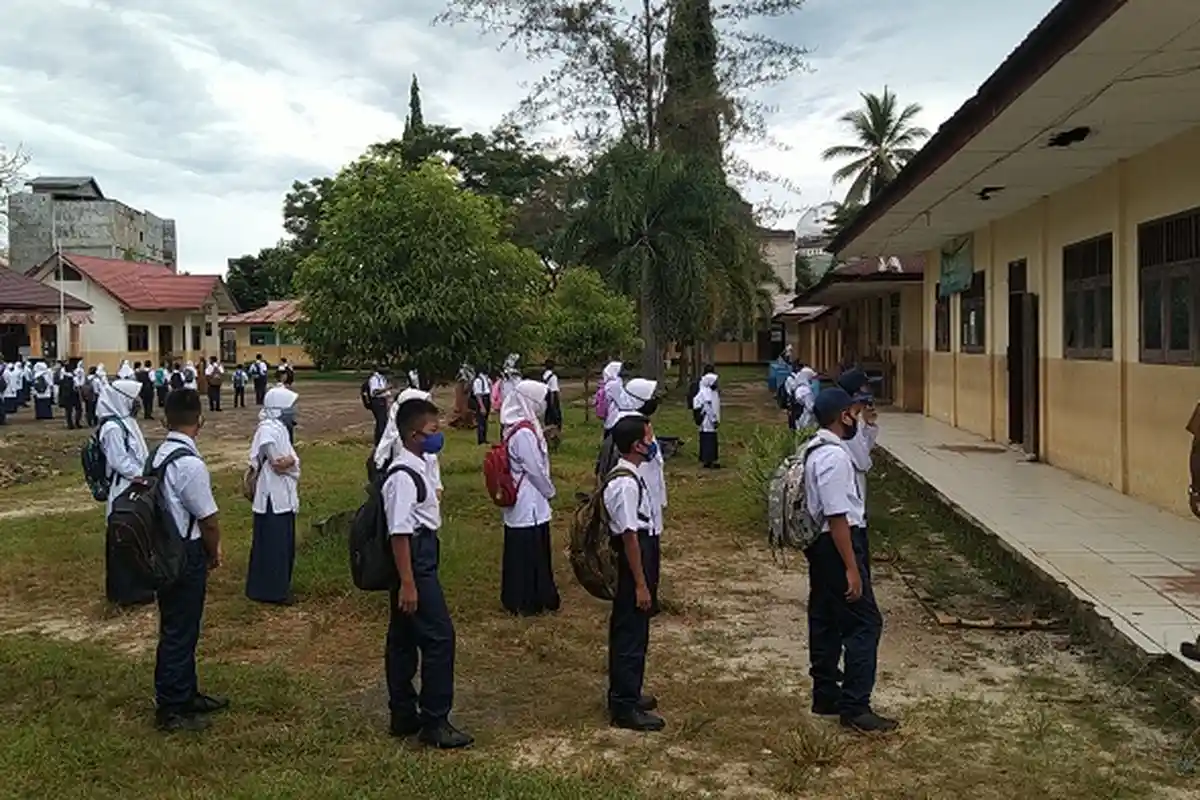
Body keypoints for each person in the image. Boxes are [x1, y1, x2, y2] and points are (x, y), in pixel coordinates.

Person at [803, 387, 896, 733]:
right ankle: (856, 706)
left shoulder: (816, 449)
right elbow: (837, 515)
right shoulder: (834, 458)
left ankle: (826, 693)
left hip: (824, 545)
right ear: (843, 416)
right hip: (838, 544)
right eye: (854, 413)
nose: (857, 418)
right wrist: (852, 568)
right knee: (865, 623)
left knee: (826, 616)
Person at [383, 396, 472, 749]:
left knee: (404, 637)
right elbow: (399, 532)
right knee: (439, 638)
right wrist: (409, 582)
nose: (438, 436)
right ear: (413, 435)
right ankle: (435, 720)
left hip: (419, 556)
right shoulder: (403, 476)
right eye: (433, 430)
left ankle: (403, 713)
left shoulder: (418, 467)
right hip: (414, 562)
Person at [152, 388, 227, 733]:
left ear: (165, 419)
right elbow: (207, 520)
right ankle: (172, 707)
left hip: (162, 550)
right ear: (200, 420)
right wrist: (214, 551)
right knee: (180, 631)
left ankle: (186, 691)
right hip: (185, 553)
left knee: (178, 626)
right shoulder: (190, 465)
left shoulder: (158, 455)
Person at [604, 413, 664, 732]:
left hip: (641, 554)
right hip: (633, 562)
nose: (653, 443)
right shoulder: (625, 484)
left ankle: (629, 691)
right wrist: (641, 583)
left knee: (636, 630)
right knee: (630, 631)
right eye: (648, 438)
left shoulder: (633, 475)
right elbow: (629, 536)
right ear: (636, 445)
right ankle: (624, 705)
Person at [498, 380, 561, 616]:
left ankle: (520, 596)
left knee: (520, 550)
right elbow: (534, 469)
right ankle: (529, 599)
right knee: (531, 551)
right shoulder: (524, 432)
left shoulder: (513, 426)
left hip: (521, 497)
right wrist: (549, 491)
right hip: (529, 499)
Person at [97, 379, 155, 607]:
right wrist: (140, 475)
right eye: (133, 399)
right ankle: (126, 592)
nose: (137, 403)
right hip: (124, 487)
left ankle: (143, 585)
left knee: (140, 535)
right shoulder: (112, 428)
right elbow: (119, 461)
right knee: (124, 536)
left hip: (137, 485)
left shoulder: (126, 422)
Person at [245, 386, 301, 605]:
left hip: (282, 491)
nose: (294, 412)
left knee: (283, 542)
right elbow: (279, 462)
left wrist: (292, 461)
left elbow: (290, 460)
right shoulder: (268, 429)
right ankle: (270, 591)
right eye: (290, 408)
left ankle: (278, 586)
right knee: (272, 544)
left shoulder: (280, 428)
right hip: (272, 493)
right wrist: (292, 461)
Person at [836, 369, 881, 507]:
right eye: (866, 387)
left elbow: (865, 448)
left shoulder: (854, 418)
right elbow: (862, 463)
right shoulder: (847, 423)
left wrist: (869, 425)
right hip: (849, 488)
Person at [692, 369, 722, 469]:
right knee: (709, 440)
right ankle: (709, 460)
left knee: (708, 439)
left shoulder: (711, 391)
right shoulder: (705, 393)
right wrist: (714, 420)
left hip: (709, 421)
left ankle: (708, 460)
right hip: (707, 421)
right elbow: (708, 408)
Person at [368, 366, 392, 446]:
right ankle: (379, 441)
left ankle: (380, 441)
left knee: (383, 421)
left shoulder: (382, 378)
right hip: (377, 401)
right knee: (381, 422)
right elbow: (374, 392)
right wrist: (387, 388)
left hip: (382, 400)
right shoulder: (374, 379)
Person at [790, 365, 817, 432]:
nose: (812, 380)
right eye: (811, 378)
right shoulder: (806, 390)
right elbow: (810, 407)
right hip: (806, 419)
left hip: (798, 417)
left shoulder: (798, 388)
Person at [470, 366, 492, 445]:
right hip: (482, 399)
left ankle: (484, 438)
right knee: (481, 420)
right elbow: (478, 394)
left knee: (485, 420)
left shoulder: (486, 379)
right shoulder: (478, 380)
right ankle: (481, 440)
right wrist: (482, 406)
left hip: (487, 397)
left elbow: (489, 389)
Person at [542, 360, 563, 429]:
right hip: (552, 395)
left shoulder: (544, 375)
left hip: (545, 395)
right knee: (555, 412)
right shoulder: (553, 376)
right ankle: (556, 427)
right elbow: (554, 389)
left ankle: (547, 425)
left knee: (547, 412)